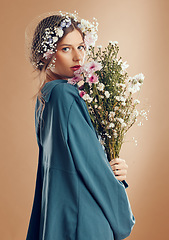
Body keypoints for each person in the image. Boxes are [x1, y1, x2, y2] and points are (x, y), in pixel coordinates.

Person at [25, 11, 135, 240]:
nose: (78, 57)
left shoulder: (45, 98)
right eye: (66, 48)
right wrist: (123, 215)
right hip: (84, 219)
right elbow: (93, 168)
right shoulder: (65, 96)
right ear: (46, 54)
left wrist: (114, 167)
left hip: (61, 217)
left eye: (81, 46)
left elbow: (76, 161)